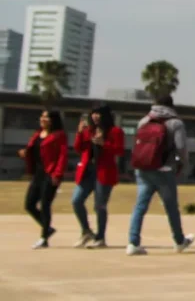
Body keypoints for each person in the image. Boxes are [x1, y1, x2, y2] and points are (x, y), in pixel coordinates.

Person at [126, 95, 195, 255]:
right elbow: (181, 148)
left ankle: (133, 242)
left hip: (143, 169)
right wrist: (182, 164)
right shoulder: (176, 123)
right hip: (164, 170)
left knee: (140, 206)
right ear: (172, 105)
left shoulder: (144, 121)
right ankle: (179, 241)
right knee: (171, 207)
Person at [71, 105, 125, 248]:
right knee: (76, 200)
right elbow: (78, 148)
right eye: (93, 113)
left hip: (104, 172)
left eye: (98, 113)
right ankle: (86, 231)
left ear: (105, 116)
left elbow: (119, 151)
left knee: (99, 206)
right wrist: (79, 133)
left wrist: (104, 143)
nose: (95, 116)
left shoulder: (115, 131)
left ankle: (100, 238)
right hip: (87, 172)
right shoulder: (88, 131)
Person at [18, 109, 67, 249]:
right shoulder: (37, 134)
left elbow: (62, 156)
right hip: (38, 174)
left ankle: (44, 238)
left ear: (53, 119)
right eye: (42, 116)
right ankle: (48, 229)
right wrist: (25, 153)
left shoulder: (59, 135)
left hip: (50, 174)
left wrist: (57, 174)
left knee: (45, 205)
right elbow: (34, 152)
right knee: (29, 205)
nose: (42, 119)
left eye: (46, 117)